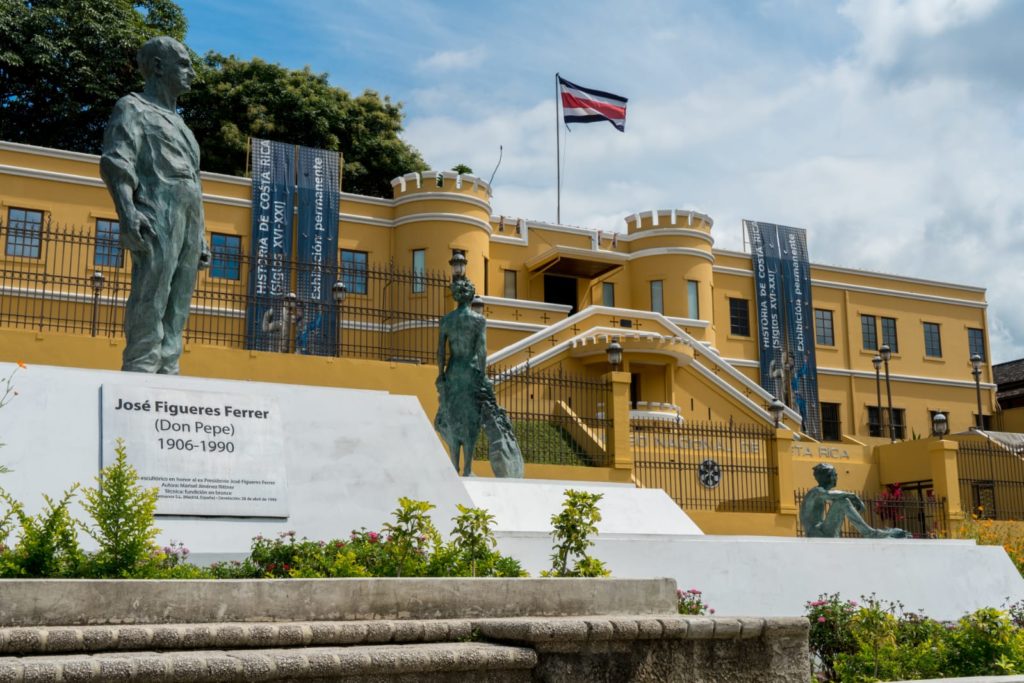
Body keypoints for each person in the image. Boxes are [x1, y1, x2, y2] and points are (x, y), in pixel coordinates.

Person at [100, 36, 210, 374]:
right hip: (156, 210)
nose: (192, 72)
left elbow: (194, 180)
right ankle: (142, 363)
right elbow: (117, 162)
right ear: (159, 67)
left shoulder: (182, 125)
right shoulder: (132, 107)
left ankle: (168, 365)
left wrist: (201, 232)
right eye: (184, 64)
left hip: (188, 215)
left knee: (179, 297)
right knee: (154, 288)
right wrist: (127, 211)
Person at [435, 277, 487, 476]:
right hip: (471, 371)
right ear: (472, 296)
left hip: (453, 370)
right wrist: (483, 376)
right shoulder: (479, 320)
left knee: (453, 416)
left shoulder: (447, 320)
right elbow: (481, 351)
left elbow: (441, 352)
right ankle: (468, 469)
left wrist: (441, 374)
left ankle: (454, 464)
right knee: (471, 418)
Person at [800, 463, 909, 538]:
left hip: (822, 531)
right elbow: (829, 495)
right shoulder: (815, 492)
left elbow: (834, 497)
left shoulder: (819, 492)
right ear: (828, 477)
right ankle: (870, 533)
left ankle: (871, 533)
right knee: (842, 501)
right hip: (817, 534)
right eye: (835, 474)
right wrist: (853, 496)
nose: (837, 476)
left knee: (841, 501)